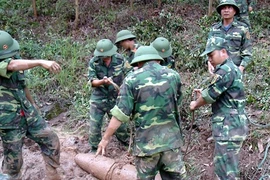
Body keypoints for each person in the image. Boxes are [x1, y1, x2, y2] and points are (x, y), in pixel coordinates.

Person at [96, 46, 187, 179]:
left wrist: (105, 139)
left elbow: (120, 114)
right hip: (171, 144)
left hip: (146, 147)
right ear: (158, 60)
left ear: (138, 62)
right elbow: (177, 101)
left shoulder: (132, 79)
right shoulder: (173, 75)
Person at [0, 30, 61, 179]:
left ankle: (52, 173)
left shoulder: (15, 58)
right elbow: (11, 66)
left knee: (50, 139)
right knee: (13, 163)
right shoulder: (11, 63)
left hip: (28, 113)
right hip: (9, 120)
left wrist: (33, 104)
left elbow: (23, 84)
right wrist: (40, 62)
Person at [190, 37, 249, 180]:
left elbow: (210, 95)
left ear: (223, 52)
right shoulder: (231, 69)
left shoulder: (225, 71)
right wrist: (203, 94)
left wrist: (195, 104)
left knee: (226, 172)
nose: (209, 59)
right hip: (233, 126)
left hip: (228, 128)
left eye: (211, 55)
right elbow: (220, 93)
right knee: (226, 169)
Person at [88, 39, 129, 152]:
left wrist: (124, 88)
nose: (104, 57)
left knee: (120, 126)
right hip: (99, 98)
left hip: (116, 97)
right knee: (94, 126)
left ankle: (125, 144)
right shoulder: (94, 61)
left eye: (106, 55)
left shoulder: (120, 59)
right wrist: (102, 82)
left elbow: (130, 74)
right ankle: (94, 148)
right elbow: (92, 82)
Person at [207, 0, 252, 74]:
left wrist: (241, 68)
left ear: (234, 11)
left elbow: (247, 51)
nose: (226, 10)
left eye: (229, 8)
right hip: (218, 70)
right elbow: (208, 50)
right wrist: (209, 63)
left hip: (235, 69)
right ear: (220, 11)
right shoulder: (214, 28)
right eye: (224, 8)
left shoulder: (243, 29)